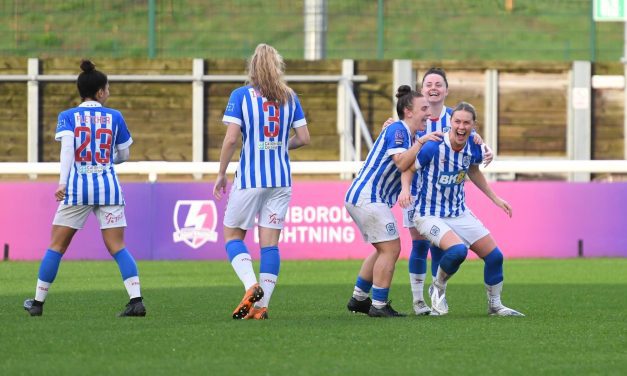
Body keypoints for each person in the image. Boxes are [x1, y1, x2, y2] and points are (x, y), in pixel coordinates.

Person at [23, 60, 144, 317]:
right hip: (108, 188)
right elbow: (123, 154)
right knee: (118, 247)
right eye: (107, 89)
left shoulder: (67, 117)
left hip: (77, 189)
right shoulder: (115, 117)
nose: (108, 93)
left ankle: (37, 303)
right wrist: (106, 160)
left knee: (56, 246)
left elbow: (67, 150)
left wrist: (63, 182)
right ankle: (136, 300)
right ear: (100, 92)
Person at [399, 101, 524, 317]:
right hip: (428, 213)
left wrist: (495, 198)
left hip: (458, 212)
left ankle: (495, 305)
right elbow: (408, 167)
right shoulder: (433, 146)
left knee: (495, 257)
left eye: (466, 123)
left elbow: (473, 170)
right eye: (457, 121)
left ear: (473, 126)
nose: (461, 126)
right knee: (458, 251)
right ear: (451, 122)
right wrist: (405, 190)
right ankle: (437, 287)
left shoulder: (474, 145)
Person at [213, 43, 310, 320]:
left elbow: (232, 138)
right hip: (281, 180)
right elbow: (304, 138)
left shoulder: (241, 95)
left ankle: (250, 285)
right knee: (269, 245)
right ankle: (261, 305)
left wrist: (221, 174)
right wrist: (279, 145)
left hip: (250, 179)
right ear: (277, 66)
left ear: (252, 67)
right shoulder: (290, 97)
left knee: (232, 235)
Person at [345, 85, 442, 317]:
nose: (428, 114)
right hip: (368, 197)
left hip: (365, 197)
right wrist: (420, 143)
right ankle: (378, 306)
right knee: (391, 248)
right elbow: (400, 162)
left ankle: (359, 298)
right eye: (423, 108)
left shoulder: (405, 133)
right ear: (408, 111)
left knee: (382, 248)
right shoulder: (399, 130)